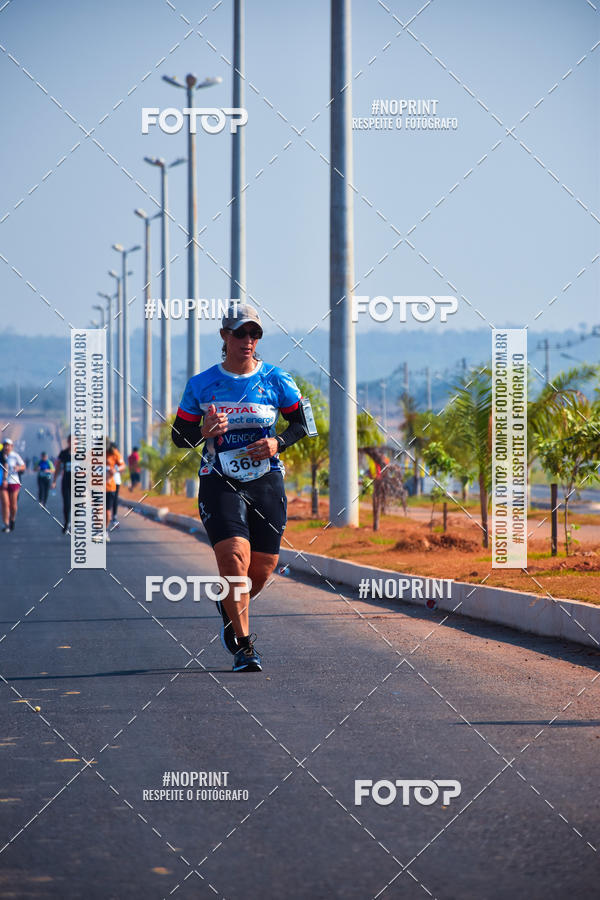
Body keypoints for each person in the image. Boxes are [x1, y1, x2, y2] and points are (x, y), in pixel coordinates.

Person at [172, 302, 311, 673]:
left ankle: (229, 605)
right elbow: (178, 437)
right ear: (224, 337)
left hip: (266, 479)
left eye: (255, 334)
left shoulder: (277, 379)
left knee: (263, 568)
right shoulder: (201, 385)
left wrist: (277, 443)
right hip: (219, 480)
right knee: (234, 557)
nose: (248, 340)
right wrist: (203, 432)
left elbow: (302, 425)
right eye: (240, 333)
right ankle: (245, 647)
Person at [1, 438, 26, 531]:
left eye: (8, 445)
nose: (6, 447)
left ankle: (12, 519)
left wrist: (18, 467)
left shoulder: (15, 456)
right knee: (5, 503)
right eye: (5, 445)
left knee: (13, 504)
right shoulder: (0, 456)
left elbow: (23, 466)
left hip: (14, 482)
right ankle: (6, 524)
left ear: (12, 447)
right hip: (2, 483)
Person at [106, 441, 125, 541]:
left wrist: (115, 470)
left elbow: (122, 466)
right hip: (99, 485)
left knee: (114, 501)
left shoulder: (115, 455)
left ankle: (114, 517)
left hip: (114, 483)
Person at [52, 435, 72, 534]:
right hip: (66, 482)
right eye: (71, 441)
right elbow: (58, 468)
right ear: (68, 442)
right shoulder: (63, 453)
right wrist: (54, 481)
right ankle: (67, 523)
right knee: (67, 504)